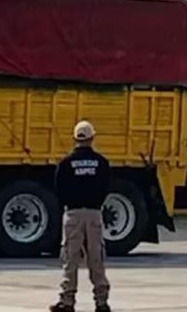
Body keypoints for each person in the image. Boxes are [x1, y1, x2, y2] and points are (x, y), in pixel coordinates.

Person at [51, 121, 112, 312]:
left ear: (74, 138)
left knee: (70, 258)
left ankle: (67, 301)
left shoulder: (66, 163)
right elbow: (106, 187)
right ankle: (101, 302)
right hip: (94, 214)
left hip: (73, 214)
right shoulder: (101, 162)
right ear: (92, 138)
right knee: (96, 258)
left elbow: (58, 189)